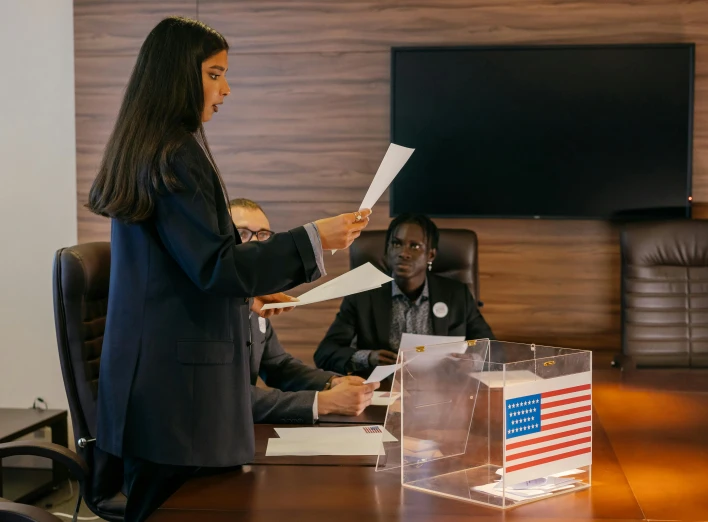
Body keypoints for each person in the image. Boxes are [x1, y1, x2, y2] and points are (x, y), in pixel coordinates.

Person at [85, 17, 370, 521]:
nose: (226, 89)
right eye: (215, 74)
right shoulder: (175, 152)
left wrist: (252, 296)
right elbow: (215, 266)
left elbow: (183, 268)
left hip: (161, 395)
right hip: (175, 404)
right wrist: (313, 237)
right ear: (178, 75)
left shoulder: (158, 146)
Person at [229, 198, 378, 423]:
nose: (255, 245)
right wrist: (322, 402)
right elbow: (223, 396)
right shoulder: (210, 307)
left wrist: (331, 383)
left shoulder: (255, 298)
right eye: (242, 233)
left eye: (263, 236)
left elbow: (278, 366)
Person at [314, 214, 494, 376]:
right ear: (387, 251)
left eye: (414, 246)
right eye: (396, 244)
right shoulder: (363, 296)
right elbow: (325, 353)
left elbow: (493, 348)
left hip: (444, 390)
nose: (403, 253)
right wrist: (368, 357)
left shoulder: (456, 294)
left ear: (430, 255)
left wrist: (473, 362)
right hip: (384, 392)